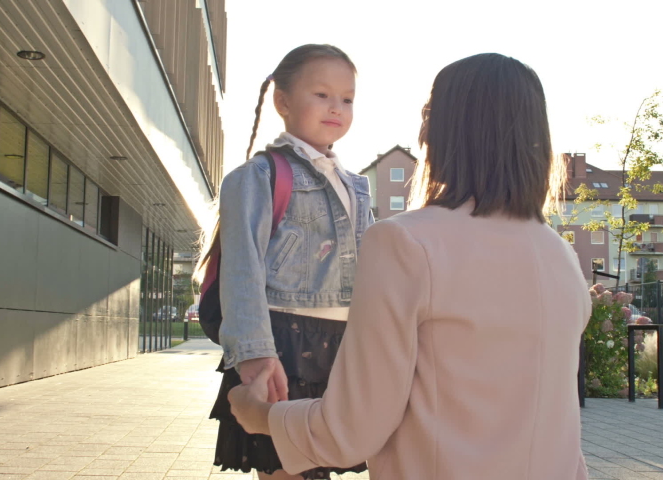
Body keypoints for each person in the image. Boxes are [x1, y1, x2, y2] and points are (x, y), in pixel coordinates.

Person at [227, 53, 591, 480]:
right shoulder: (562, 258)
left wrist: (259, 416)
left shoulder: (405, 243)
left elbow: (351, 430)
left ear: (437, 130)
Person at [201, 44, 373, 479]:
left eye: (347, 98)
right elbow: (242, 273)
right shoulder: (256, 177)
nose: (336, 107)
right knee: (285, 471)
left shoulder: (358, 186)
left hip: (343, 345)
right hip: (283, 345)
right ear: (282, 100)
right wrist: (255, 355)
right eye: (322, 94)